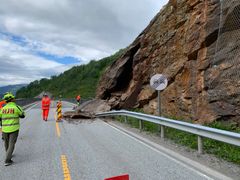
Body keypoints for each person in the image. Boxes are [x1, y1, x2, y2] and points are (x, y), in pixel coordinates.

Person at [0, 92, 25, 166]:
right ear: (12, 100)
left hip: (4, 129)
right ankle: (7, 160)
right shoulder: (16, 107)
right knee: (11, 144)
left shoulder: (3, 109)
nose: (14, 99)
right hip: (14, 129)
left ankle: (9, 154)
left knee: (6, 143)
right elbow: (23, 115)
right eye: (13, 98)